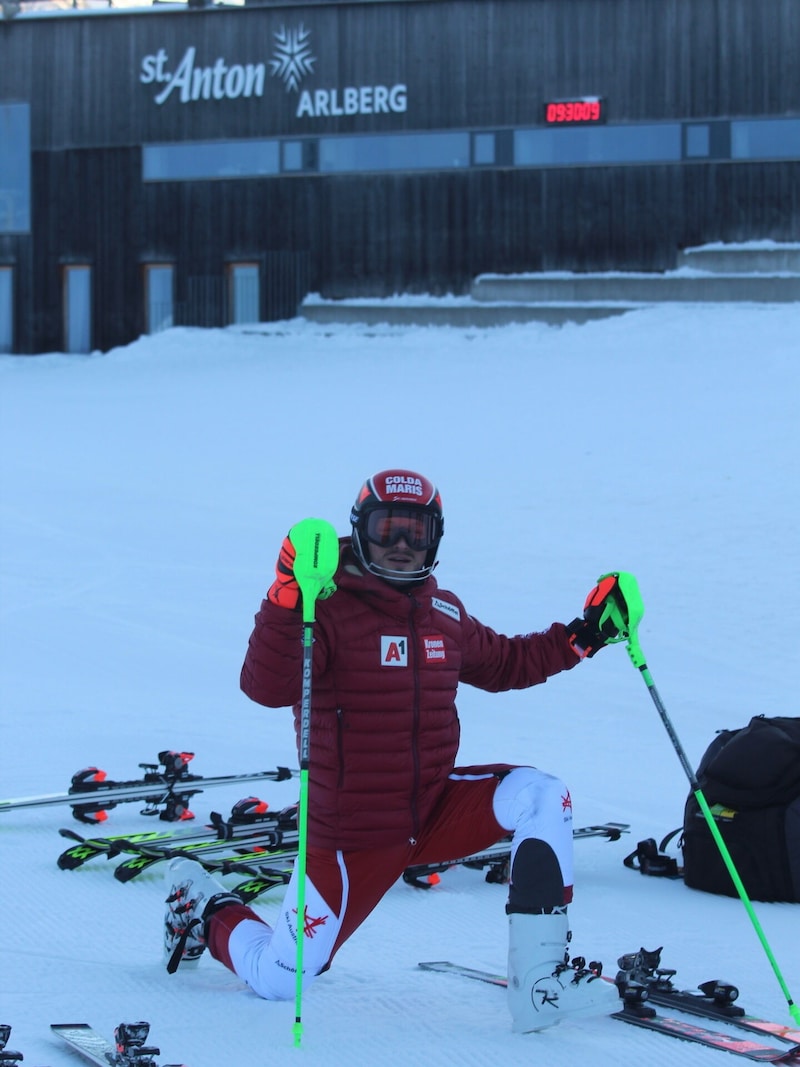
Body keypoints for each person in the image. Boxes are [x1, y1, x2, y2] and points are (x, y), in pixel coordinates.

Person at [164, 468, 630, 1032]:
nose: (404, 547)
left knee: (542, 794)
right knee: (279, 981)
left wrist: (585, 637)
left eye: (418, 533)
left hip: (433, 811)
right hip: (349, 839)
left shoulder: (446, 614)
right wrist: (287, 593)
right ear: (360, 532)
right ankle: (201, 905)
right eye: (389, 531)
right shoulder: (323, 609)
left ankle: (539, 985)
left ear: (436, 539)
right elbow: (266, 687)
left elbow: (509, 662)